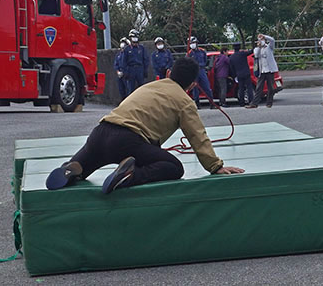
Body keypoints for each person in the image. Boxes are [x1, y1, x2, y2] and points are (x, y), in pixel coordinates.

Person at [44, 57, 245, 193]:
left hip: (100, 133)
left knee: (89, 161)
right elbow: (197, 136)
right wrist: (215, 166)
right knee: (173, 167)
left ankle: (74, 167)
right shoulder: (185, 103)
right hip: (127, 141)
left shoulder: (149, 86)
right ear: (193, 85)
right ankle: (131, 174)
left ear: (168, 73)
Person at [246, 33, 279, 108]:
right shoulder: (257, 49)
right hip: (262, 71)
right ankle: (254, 103)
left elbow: (272, 40)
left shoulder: (269, 47)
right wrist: (259, 47)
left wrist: (265, 37)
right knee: (259, 87)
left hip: (270, 70)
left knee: (271, 87)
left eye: (262, 40)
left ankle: (269, 102)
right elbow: (256, 55)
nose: (261, 41)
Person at [186, 36, 215, 109]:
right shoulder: (189, 54)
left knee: (207, 87)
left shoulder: (202, 51)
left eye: (193, 43)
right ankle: (197, 104)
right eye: (191, 43)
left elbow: (205, 60)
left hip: (202, 70)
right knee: (195, 89)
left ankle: (211, 103)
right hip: (194, 72)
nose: (192, 44)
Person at [124, 29, 149, 93]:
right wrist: (126, 72)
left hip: (140, 69)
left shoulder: (141, 48)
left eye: (136, 37)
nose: (134, 39)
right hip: (131, 69)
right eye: (133, 38)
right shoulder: (127, 49)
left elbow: (145, 59)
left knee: (141, 88)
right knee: (130, 88)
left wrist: (145, 70)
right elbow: (124, 61)